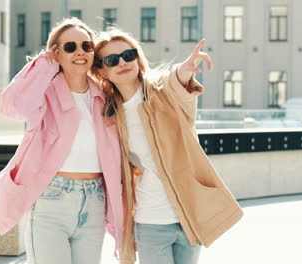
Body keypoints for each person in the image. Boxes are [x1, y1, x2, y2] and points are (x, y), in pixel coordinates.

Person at [91, 29, 243, 264]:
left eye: (128, 55)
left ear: (137, 58)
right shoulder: (109, 115)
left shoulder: (163, 93)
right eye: (112, 60)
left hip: (189, 217)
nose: (123, 63)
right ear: (102, 70)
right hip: (150, 220)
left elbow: (176, 82)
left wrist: (185, 70)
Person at [0, 18, 123, 264]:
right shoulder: (44, 93)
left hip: (94, 200)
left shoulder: (104, 96)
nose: (80, 51)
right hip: (52, 198)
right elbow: (12, 106)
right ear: (56, 53)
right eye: (70, 47)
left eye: (86, 46)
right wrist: (43, 65)